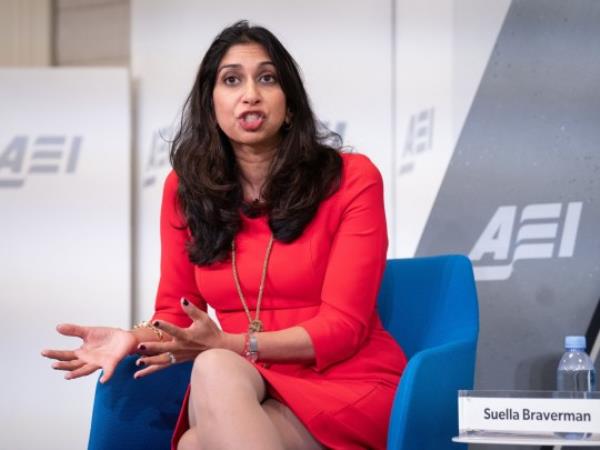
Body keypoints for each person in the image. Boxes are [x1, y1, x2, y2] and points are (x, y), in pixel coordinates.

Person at [42, 20, 406, 450]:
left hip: (346, 381)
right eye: (232, 80)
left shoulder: (351, 178)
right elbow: (177, 313)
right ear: (210, 105)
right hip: (248, 385)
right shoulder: (185, 190)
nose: (250, 93)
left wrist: (233, 343)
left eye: (266, 78)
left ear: (289, 104)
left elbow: (343, 328)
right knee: (206, 408)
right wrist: (133, 336)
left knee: (202, 420)